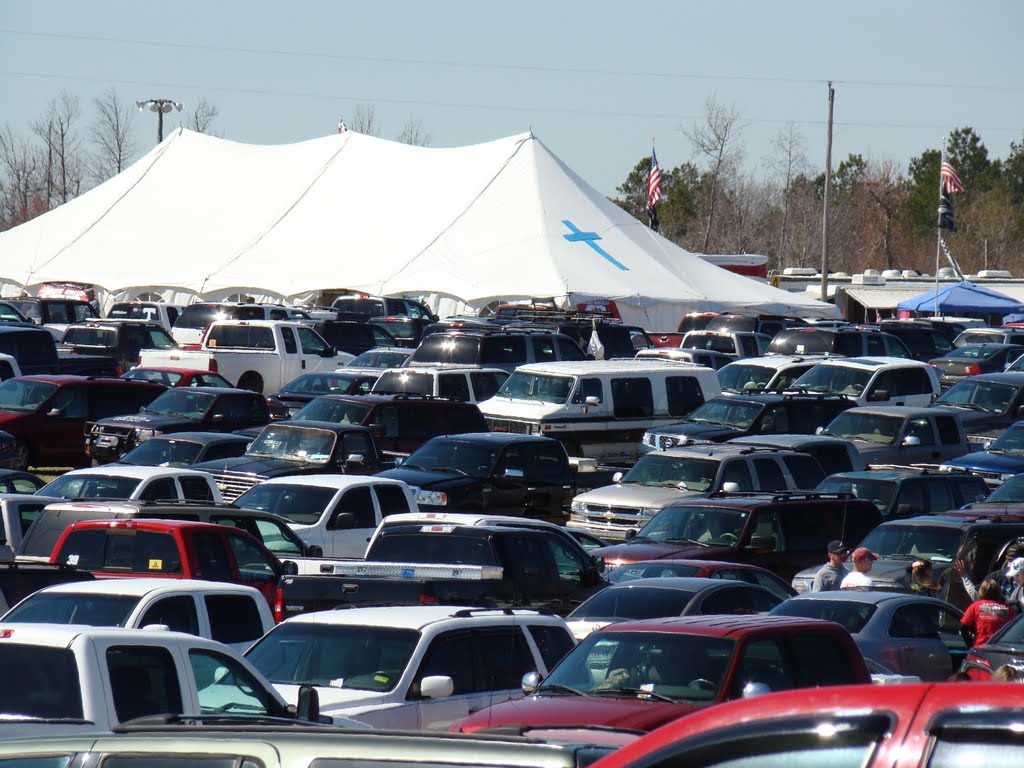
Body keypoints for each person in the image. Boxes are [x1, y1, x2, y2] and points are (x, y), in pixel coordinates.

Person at [955, 544, 1024, 603]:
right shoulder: (996, 576)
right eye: (1009, 560)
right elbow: (977, 596)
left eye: (1015, 562)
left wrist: (964, 576)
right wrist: (965, 577)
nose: (1010, 565)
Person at [961, 579, 1013, 648]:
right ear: (998, 592)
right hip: (1001, 649)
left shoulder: (975, 606)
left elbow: (963, 627)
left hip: (980, 648)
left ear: (981, 591)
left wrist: (970, 645)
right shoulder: (1007, 609)